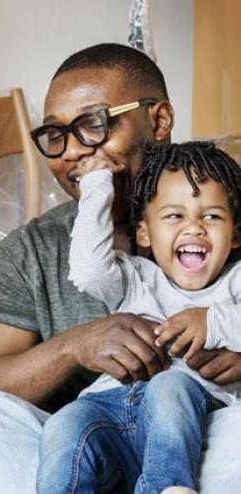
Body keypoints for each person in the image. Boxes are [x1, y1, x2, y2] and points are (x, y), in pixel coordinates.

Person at [0, 43, 241, 493]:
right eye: (56, 135)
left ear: (159, 121)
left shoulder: (228, 228)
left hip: (202, 453)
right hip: (84, 452)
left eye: (94, 124)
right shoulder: (34, 250)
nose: (72, 151)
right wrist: (73, 347)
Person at [37, 141, 241, 494]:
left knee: (170, 384)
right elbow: (86, 270)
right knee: (65, 421)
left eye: (212, 216)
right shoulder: (135, 276)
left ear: (235, 233)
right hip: (111, 410)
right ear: (144, 233)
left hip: (196, 422)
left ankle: (169, 487)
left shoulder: (235, 283)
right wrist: (98, 184)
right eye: (175, 216)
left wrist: (212, 320)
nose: (194, 228)